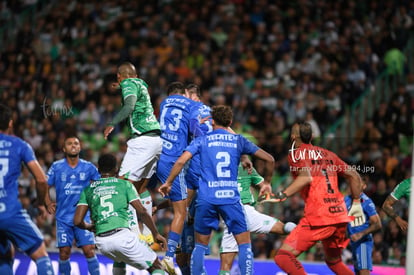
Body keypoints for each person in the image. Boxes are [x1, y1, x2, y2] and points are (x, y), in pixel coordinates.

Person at [159, 105, 275, 275]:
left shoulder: (202, 140)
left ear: (212, 121)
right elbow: (270, 159)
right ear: (230, 122)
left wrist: (168, 182)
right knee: (244, 244)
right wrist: (267, 182)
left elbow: (180, 162)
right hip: (230, 198)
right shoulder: (239, 140)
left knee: (200, 245)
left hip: (206, 198)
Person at [273, 122, 364, 275]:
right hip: (340, 215)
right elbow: (354, 175)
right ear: (312, 137)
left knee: (283, 257)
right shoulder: (329, 154)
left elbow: (306, 177)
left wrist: (283, 194)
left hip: (319, 216)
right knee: (334, 262)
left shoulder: (296, 153)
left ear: (293, 137)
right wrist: (356, 203)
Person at [73, 153, 167, 275]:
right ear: (116, 169)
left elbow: (77, 221)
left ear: (98, 169)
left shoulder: (88, 189)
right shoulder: (124, 185)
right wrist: (155, 234)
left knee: (120, 259)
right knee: (156, 266)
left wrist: (89, 227)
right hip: (121, 236)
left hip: (102, 242)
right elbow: (142, 212)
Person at [103, 62, 162, 252]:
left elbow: (129, 106)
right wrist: (121, 85)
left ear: (120, 76)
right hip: (155, 140)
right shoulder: (141, 84)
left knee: (121, 185)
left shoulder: (128, 84)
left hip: (142, 141)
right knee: (140, 187)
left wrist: (112, 123)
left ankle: (131, 233)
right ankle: (145, 233)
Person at [0, 104, 55, 275]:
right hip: (10, 211)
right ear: (10, 123)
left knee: (5, 254)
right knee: (40, 253)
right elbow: (40, 179)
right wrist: (40, 202)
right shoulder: (20, 145)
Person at [156, 81, 203, 274]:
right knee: (181, 213)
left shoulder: (164, 104)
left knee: (181, 209)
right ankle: (168, 257)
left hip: (160, 158)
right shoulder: (194, 108)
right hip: (178, 165)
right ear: (185, 93)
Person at [219, 163, 297, 275]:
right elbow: (265, 179)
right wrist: (267, 184)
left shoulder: (216, 166)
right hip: (248, 212)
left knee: (225, 266)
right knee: (284, 228)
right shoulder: (246, 166)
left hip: (230, 213)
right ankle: (304, 233)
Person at [47, 136, 101, 275]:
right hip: (63, 218)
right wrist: (47, 202)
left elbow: (99, 187)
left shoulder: (89, 167)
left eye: (76, 143)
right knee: (64, 253)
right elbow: (44, 185)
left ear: (80, 147)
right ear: (64, 148)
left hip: (83, 217)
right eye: (69, 144)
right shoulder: (56, 166)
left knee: (89, 250)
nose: (73, 146)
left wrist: (95, 209)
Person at [345, 183, 382, 275]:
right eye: (352, 183)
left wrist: (361, 234)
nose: (354, 185)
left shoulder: (366, 202)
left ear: (364, 186)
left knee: (363, 271)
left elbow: (378, 224)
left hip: (363, 242)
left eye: (358, 183)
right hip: (353, 243)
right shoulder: (346, 199)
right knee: (358, 272)